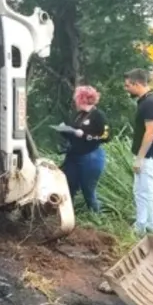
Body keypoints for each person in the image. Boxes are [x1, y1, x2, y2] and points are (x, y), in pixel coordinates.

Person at [123, 68, 153, 235]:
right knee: (139, 191)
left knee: (149, 192)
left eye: (128, 85)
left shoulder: (149, 103)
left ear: (137, 84)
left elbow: (149, 132)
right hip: (148, 154)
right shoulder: (149, 98)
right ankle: (141, 225)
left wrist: (139, 158)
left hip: (148, 158)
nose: (126, 88)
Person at [55, 85, 111, 214]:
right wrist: (65, 131)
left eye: (76, 99)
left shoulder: (98, 115)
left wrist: (86, 135)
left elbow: (106, 136)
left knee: (88, 191)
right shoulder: (79, 115)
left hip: (91, 156)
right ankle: (67, 215)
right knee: (68, 186)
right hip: (74, 156)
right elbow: (74, 134)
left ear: (82, 99)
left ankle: (98, 218)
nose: (75, 102)